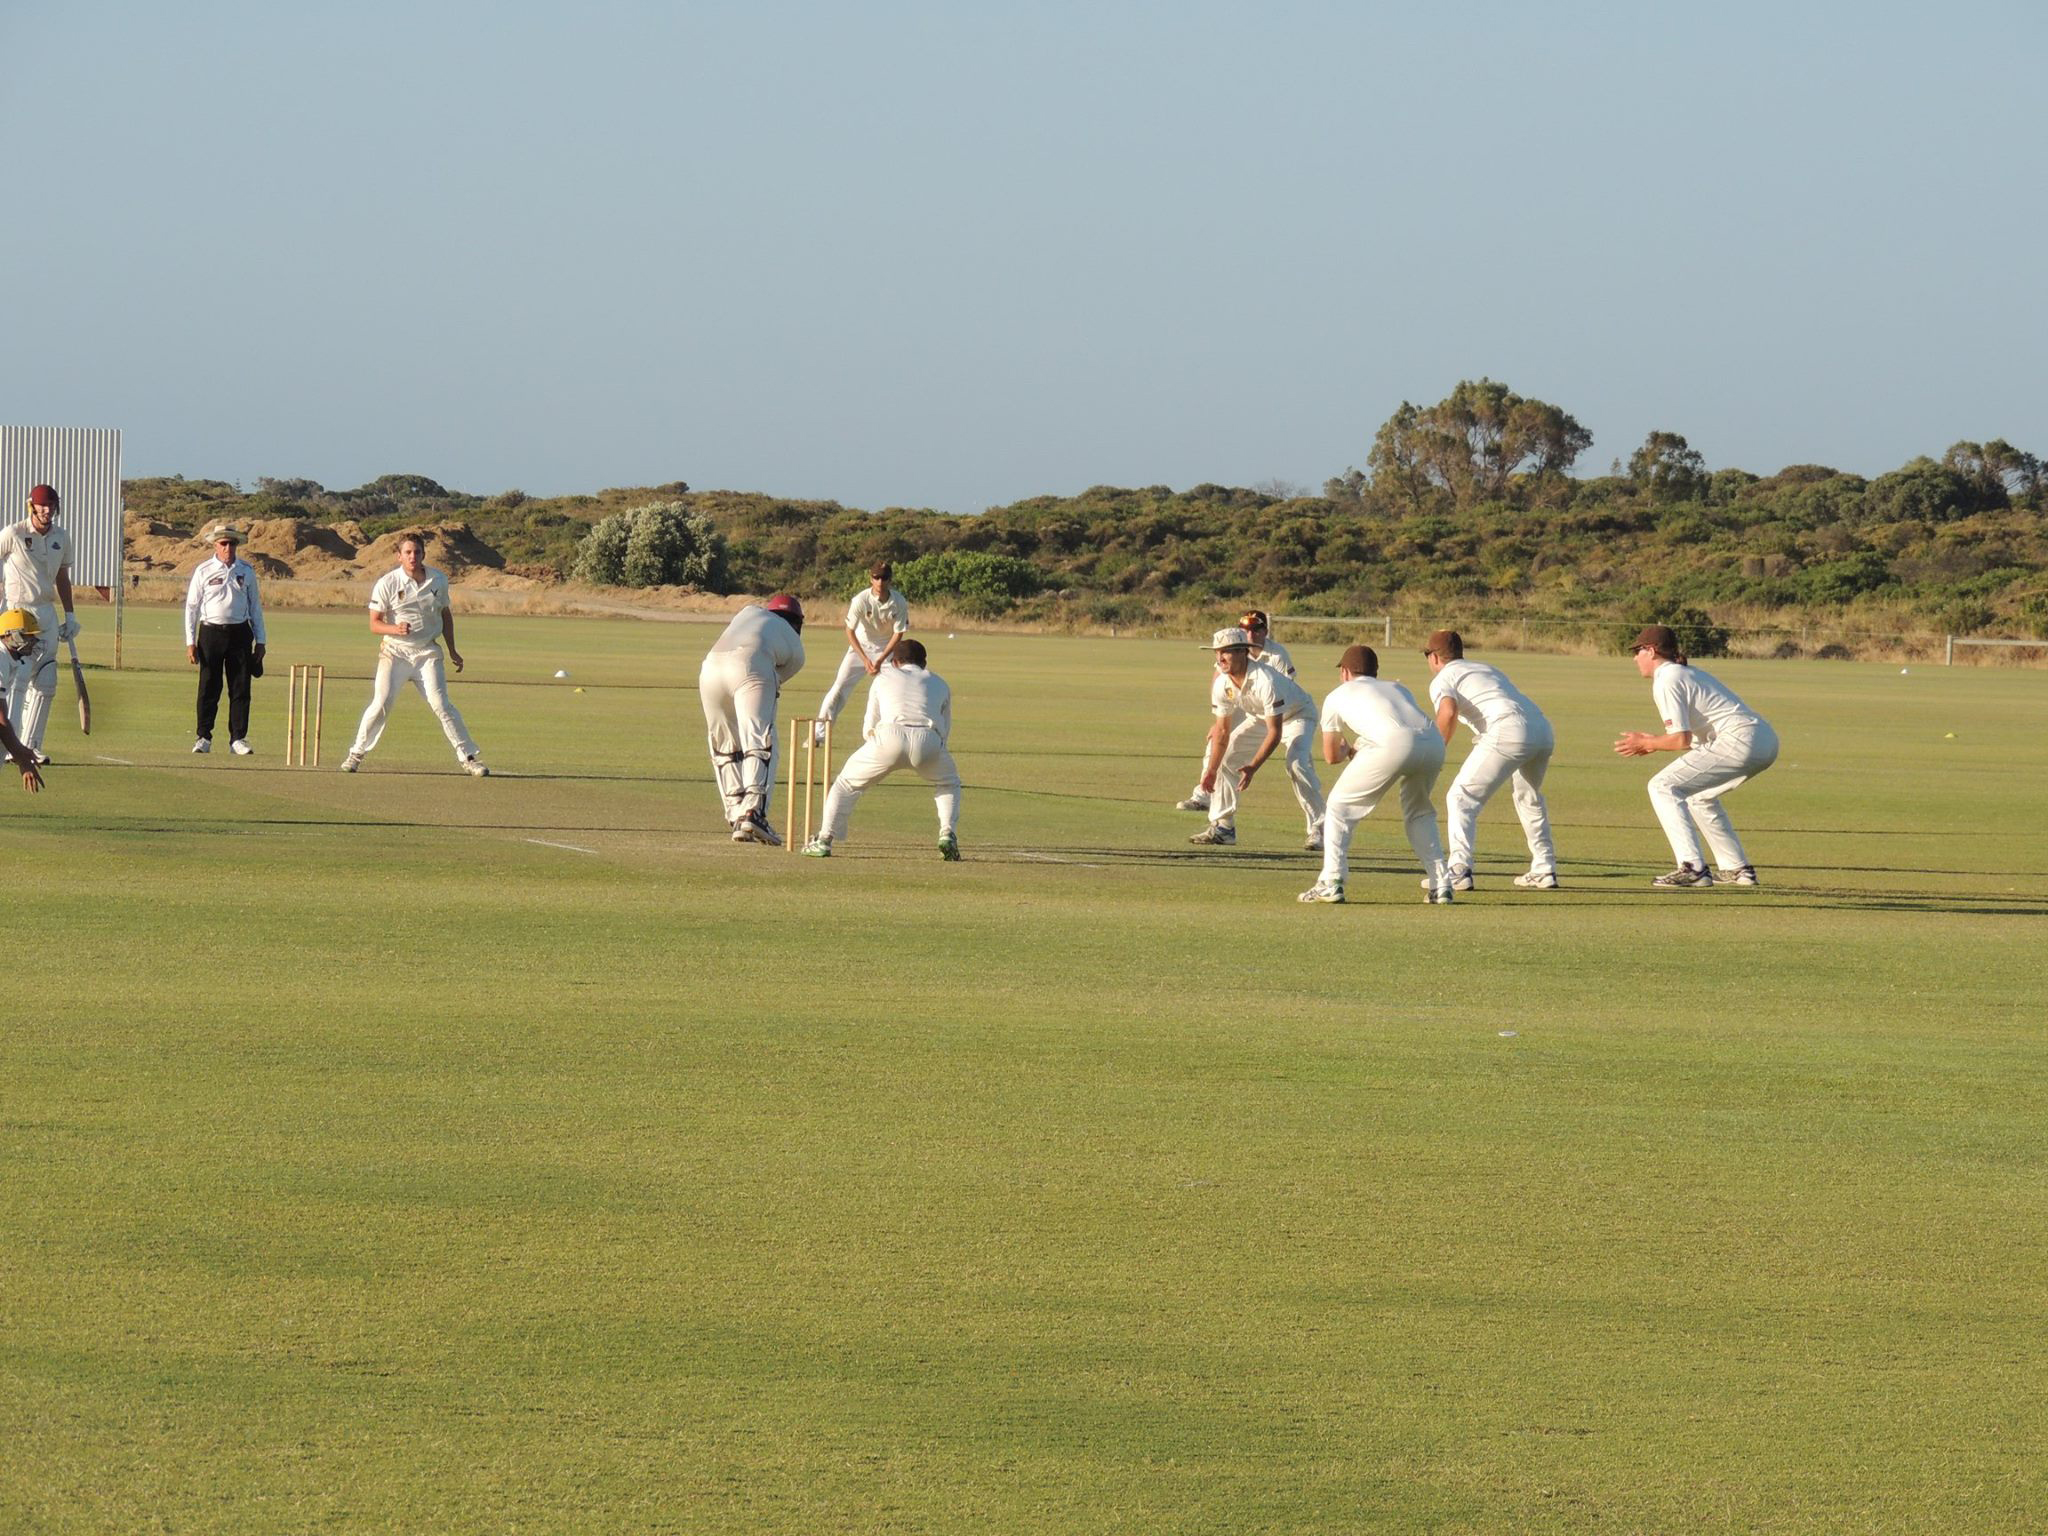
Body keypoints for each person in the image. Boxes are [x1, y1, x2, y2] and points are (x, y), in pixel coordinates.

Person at [1614, 624, 1778, 888]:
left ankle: (1692, 867)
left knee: (1662, 786)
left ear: (1652, 651)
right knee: (1699, 797)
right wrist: (1653, 743)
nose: (1635, 657)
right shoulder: (1685, 673)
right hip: (1764, 740)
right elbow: (1691, 739)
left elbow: (1681, 740)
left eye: (1638, 650)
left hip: (1739, 739)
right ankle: (1737, 869)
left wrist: (1648, 742)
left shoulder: (1667, 678)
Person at [1299, 644, 1451, 905]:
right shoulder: (1397, 687)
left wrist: (1347, 748)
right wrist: (1360, 746)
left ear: (1345, 672)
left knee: (1338, 807)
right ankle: (1442, 885)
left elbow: (1331, 756)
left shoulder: (1337, 695)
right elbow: (1396, 725)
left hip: (1393, 744)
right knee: (1420, 813)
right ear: (1375, 672)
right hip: (1433, 742)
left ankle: (1331, 881)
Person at [339, 533, 489, 776]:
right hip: (395, 652)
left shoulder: (438, 580)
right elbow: (374, 624)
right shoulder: (387, 583)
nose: (412, 557)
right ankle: (356, 754)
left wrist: (452, 649)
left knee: (441, 704)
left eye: (417, 552)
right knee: (382, 703)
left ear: (423, 555)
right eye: (407, 552)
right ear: (399, 556)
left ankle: (469, 758)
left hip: (427, 652)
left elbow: (445, 615)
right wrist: (394, 628)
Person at [1423, 629, 1558, 890]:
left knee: (1460, 797)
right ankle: (1544, 867)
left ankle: (1459, 869)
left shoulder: (1443, 678)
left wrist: (1434, 753)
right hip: (1541, 729)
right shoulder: (1485, 668)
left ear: (1435, 658)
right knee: (1528, 797)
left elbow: (1447, 713)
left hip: (1508, 730)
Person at [801, 638, 961, 860]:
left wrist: (876, 749)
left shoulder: (883, 677)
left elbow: (869, 725)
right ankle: (947, 833)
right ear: (924, 663)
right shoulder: (940, 683)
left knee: (845, 784)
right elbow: (945, 729)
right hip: (929, 738)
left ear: (895, 662)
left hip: (889, 736)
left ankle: (824, 840)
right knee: (948, 783)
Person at [1189, 626, 1325, 849]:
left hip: (1298, 714)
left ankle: (1320, 829)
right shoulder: (1222, 684)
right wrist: (1211, 770)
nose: (1220, 658)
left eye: (1226, 652)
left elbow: (1275, 732)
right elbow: (1222, 732)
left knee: (1297, 764)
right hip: (1261, 717)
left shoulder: (1265, 681)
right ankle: (1224, 827)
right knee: (1226, 757)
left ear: (1243, 652)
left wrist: (1252, 767)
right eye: (1217, 652)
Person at [701, 593, 806, 844]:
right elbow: (774, 680)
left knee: (724, 745)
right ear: (798, 623)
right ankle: (754, 813)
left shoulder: (747, 612)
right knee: (760, 740)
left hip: (709, 669)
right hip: (750, 666)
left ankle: (736, 812)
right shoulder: (796, 647)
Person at [1175, 608, 1294, 813]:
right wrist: (1220, 719)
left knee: (1295, 761)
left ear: (1265, 631)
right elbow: (1219, 679)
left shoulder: (1277, 655)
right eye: (1245, 629)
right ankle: (1203, 795)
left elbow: (1286, 688)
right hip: (1240, 699)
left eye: (1256, 629)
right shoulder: (1229, 651)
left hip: (1270, 706)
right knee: (1217, 741)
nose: (1251, 634)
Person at [0, 483, 79, 765]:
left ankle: (32, 746)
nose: (47, 511)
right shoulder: (14, 533)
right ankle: (12, 746)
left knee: (46, 682)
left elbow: (62, 577)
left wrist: (70, 615)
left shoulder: (62, 537)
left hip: (46, 612)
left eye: (51, 506)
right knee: (18, 679)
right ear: (31, 506)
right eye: (42, 506)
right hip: (17, 614)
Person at [183, 523, 267, 755]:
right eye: (223, 543)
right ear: (215, 546)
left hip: (240, 633)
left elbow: (255, 607)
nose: (228, 547)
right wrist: (190, 641)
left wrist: (261, 640)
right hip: (210, 632)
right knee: (209, 686)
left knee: (240, 687)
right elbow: (192, 608)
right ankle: (203, 737)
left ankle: (238, 738)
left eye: (232, 543)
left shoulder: (246, 570)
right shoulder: (203, 570)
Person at [812, 561, 909, 743]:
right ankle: (819, 734)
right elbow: (849, 631)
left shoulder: (899, 602)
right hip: (860, 648)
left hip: (886, 651)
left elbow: (899, 633)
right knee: (839, 688)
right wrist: (865, 659)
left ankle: (890, 736)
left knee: (892, 691)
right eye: (876, 577)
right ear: (871, 578)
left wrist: (880, 660)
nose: (880, 582)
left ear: (890, 580)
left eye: (884, 578)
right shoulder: (860, 600)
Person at [0, 609, 51, 792]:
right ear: (10, 635)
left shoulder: (7, 660)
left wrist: (20, 752)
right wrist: (22, 759)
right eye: (26, 636)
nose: (32, 641)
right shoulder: (1, 659)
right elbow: (1, 721)